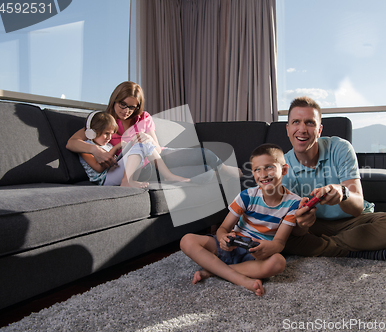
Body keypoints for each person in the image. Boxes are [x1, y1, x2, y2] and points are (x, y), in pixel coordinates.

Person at [281, 96, 386, 262]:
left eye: (310, 123)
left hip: (353, 222)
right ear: (288, 128)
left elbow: (356, 208)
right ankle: (356, 251)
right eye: (296, 122)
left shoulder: (340, 148)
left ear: (319, 130)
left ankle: (324, 248)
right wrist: (301, 223)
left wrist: (343, 193)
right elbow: (288, 222)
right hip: (315, 226)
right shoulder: (282, 166)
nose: (302, 129)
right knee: (278, 235)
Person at [180, 144, 301, 296]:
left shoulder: (294, 203)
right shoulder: (247, 196)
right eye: (257, 169)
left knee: (279, 262)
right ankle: (240, 279)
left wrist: (269, 249)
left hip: (255, 255)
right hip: (232, 245)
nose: (263, 174)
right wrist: (223, 238)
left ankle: (213, 271)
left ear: (284, 170)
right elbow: (223, 229)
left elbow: (280, 243)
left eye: (269, 167)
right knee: (187, 240)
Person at [67, 81, 240, 187]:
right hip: (139, 167)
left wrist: (148, 139)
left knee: (206, 154)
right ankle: (214, 175)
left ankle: (224, 169)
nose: (126, 111)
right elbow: (72, 142)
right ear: (115, 100)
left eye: (132, 107)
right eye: (123, 105)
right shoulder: (105, 122)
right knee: (204, 174)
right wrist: (96, 151)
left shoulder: (143, 118)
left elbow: (156, 148)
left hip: (159, 156)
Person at [78, 111, 187, 187]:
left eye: (111, 134)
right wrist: (116, 148)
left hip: (113, 171)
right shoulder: (86, 148)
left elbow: (114, 161)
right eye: (106, 134)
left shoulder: (107, 145)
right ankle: (126, 181)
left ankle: (168, 175)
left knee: (142, 142)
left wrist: (127, 147)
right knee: (139, 146)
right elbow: (99, 168)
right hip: (105, 179)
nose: (109, 138)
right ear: (91, 132)